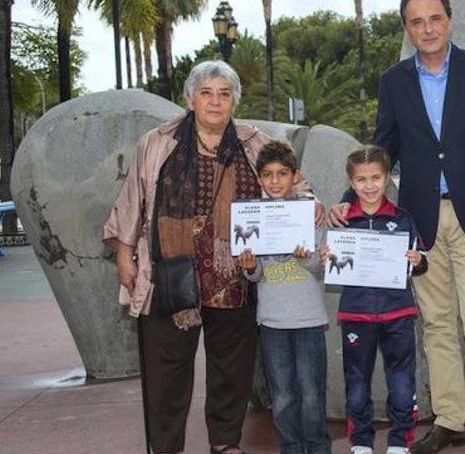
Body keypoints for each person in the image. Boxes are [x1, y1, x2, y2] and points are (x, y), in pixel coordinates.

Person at [330, 0, 465, 454]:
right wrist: (346, 199)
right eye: (417, 22)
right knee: (436, 324)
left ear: (449, 21)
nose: (428, 28)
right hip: (420, 225)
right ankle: (450, 418)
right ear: (408, 29)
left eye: (435, 18)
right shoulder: (394, 81)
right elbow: (383, 147)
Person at [103, 60, 320, 454]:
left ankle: (224, 442)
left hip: (235, 276)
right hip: (170, 274)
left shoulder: (255, 142)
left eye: (224, 94)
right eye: (207, 93)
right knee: (165, 373)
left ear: (234, 101)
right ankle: (165, 446)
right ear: (190, 99)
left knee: (231, 369)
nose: (215, 102)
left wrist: (312, 209)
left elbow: (297, 186)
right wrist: (124, 256)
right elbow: (131, 200)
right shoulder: (158, 142)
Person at [326, 144, 428, 454]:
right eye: (361, 180)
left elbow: (422, 261)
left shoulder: (403, 218)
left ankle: (399, 441)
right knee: (356, 384)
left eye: (376, 178)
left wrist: (417, 260)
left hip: (398, 312)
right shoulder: (342, 222)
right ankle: (360, 442)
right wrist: (326, 257)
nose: (369, 186)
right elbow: (328, 261)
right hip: (356, 314)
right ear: (351, 182)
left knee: (401, 383)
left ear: (387, 179)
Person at [237, 140, 331, 454]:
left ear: (295, 175)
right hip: (272, 321)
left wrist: (306, 258)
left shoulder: (313, 215)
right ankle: (291, 446)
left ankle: (318, 447)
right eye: (268, 174)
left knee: (311, 393)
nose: (275, 181)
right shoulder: (252, 218)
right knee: (282, 395)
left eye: (282, 173)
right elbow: (257, 273)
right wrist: (250, 267)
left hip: (309, 319)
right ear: (259, 178)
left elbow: (321, 269)